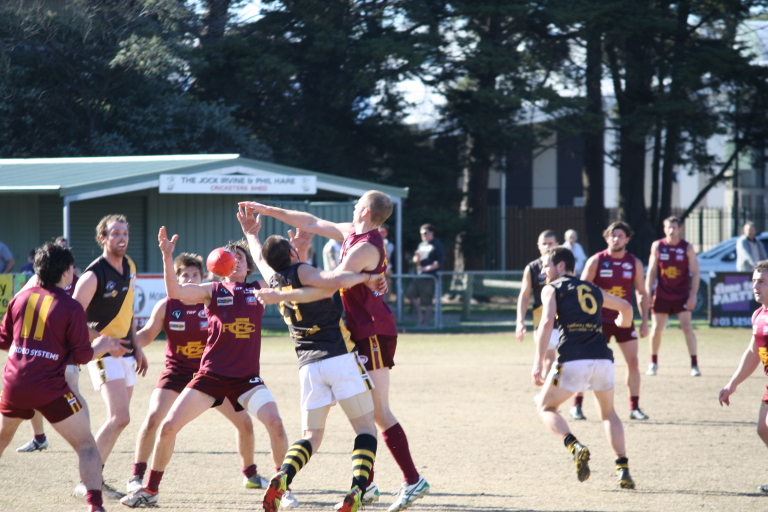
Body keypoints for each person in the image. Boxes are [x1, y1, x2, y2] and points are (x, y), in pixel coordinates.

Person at [239, 192, 430, 512]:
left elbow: (333, 282)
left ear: (365, 212)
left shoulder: (364, 247)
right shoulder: (352, 232)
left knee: (378, 412)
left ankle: (412, 481)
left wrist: (370, 276)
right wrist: (267, 210)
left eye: (357, 205)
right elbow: (310, 222)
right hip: (354, 331)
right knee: (365, 414)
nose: (353, 207)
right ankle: (367, 486)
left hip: (371, 329)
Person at [121, 225, 293, 508]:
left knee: (274, 423)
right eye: (231, 255)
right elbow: (175, 290)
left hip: (247, 379)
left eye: (241, 257)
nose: (235, 259)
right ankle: (150, 490)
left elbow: (277, 279)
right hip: (210, 377)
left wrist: (253, 239)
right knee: (167, 427)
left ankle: (282, 490)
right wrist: (166, 256)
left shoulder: (258, 289)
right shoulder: (211, 290)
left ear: (249, 264)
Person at [0, 242, 127, 512]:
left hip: (14, 384)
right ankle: (95, 505)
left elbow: (3, 340)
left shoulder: (20, 298)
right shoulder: (70, 307)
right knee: (86, 445)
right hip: (51, 387)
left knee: (2, 439)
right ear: (68, 272)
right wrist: (104, 345)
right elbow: (82, 356)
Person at [532, 246, 636, 489]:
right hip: (602, 358)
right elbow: (627, 308)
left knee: (545, 407)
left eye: (546, 266)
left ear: (560, 266)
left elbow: (547, 322)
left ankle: (574, 446)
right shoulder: (592, 288)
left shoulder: (551, 289)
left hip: (573, 358)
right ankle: (622, 469)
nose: (543, 271)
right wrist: (624, 322)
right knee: (609, 413)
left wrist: (538, 361)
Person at [71, 214, 148, 500]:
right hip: (104, 352)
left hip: (126, 350)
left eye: (125, 233)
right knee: (120, 415)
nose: (122, 238)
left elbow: (127, 310)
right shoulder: (93, 275)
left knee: (121, 420)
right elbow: (73, 318)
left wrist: (137, 345)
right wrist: (103, 342)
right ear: (102, 238)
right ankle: (87, 481)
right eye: (115, 233)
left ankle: (95, 478)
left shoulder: (130, 266)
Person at [571, 222, 650, 421]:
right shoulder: (596, 261)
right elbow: (582, 291)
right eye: (612, 235)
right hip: (597, 321)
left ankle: (634, 408)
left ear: (627, 239)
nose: (616, 239)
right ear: (607, 238)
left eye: (620, 235)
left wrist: (644, 321)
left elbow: (641, 292)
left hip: (624, 320)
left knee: (633, 362)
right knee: (587, 363)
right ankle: (577, 406)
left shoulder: (634, 263)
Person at [15, 254, 83, 453]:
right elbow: (21, 303)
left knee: (71, 388)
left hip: (67, 349)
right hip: (43, 348)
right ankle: (39, 438)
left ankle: (84, 437)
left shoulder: (79, 283)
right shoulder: (35, 283)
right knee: (34, 389)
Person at [719, 259, 768, 493]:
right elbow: (752, 353)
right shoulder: (758, 315)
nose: (756, 286)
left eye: (762, 282)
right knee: (763, 429)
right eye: (754, 281)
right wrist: (732, 384)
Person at [645, 216, 701, 377]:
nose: (671, 230)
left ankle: (694, 365)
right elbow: (652, 271)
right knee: (656, 329)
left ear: (679, 229)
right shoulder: (657, 246)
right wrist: (648, 293)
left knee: (687, 327)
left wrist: (693, 296)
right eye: (668, 227)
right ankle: (653, 363)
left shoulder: (687, 247)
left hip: (682, 295)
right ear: (664, 229)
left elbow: (696, 272)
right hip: (662, 294)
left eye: (674, 227)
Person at [516, 230, 560, 378]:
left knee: (564, 360)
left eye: (550, 243)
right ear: (538, 246)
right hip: (542, 317)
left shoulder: (562, 266)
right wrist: (520, 322)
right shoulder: (532, 268)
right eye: (544, 244)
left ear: (557, 245)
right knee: (549, 359)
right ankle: (548, 395)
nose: (547, 247)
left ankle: (553, 392)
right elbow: (524, 295)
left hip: (564, 316)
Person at [405, 224, 445, 326]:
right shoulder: (421, 245)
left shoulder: (437, 244)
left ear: (431, 233)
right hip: (419, 275)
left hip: (429, 277)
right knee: (410, 294)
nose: (423, 236)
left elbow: (439, 262)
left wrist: (426, 269)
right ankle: (420, 317)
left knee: (427, 301)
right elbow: (417, 261)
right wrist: (416, 258)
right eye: (421, 234)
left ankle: (425, 324)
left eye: (425, 233)